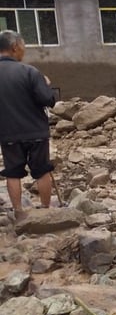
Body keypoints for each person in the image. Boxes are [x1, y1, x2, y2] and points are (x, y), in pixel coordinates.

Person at [0, 30, 56, 219]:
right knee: (42, 170)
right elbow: (48, 100)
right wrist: (45, 84)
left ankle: (18, 212)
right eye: (23, 46)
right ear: (15, 47)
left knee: (12, 172)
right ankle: (46, 210)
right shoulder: (30, 72)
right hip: (36, 132)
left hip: (8, 133)